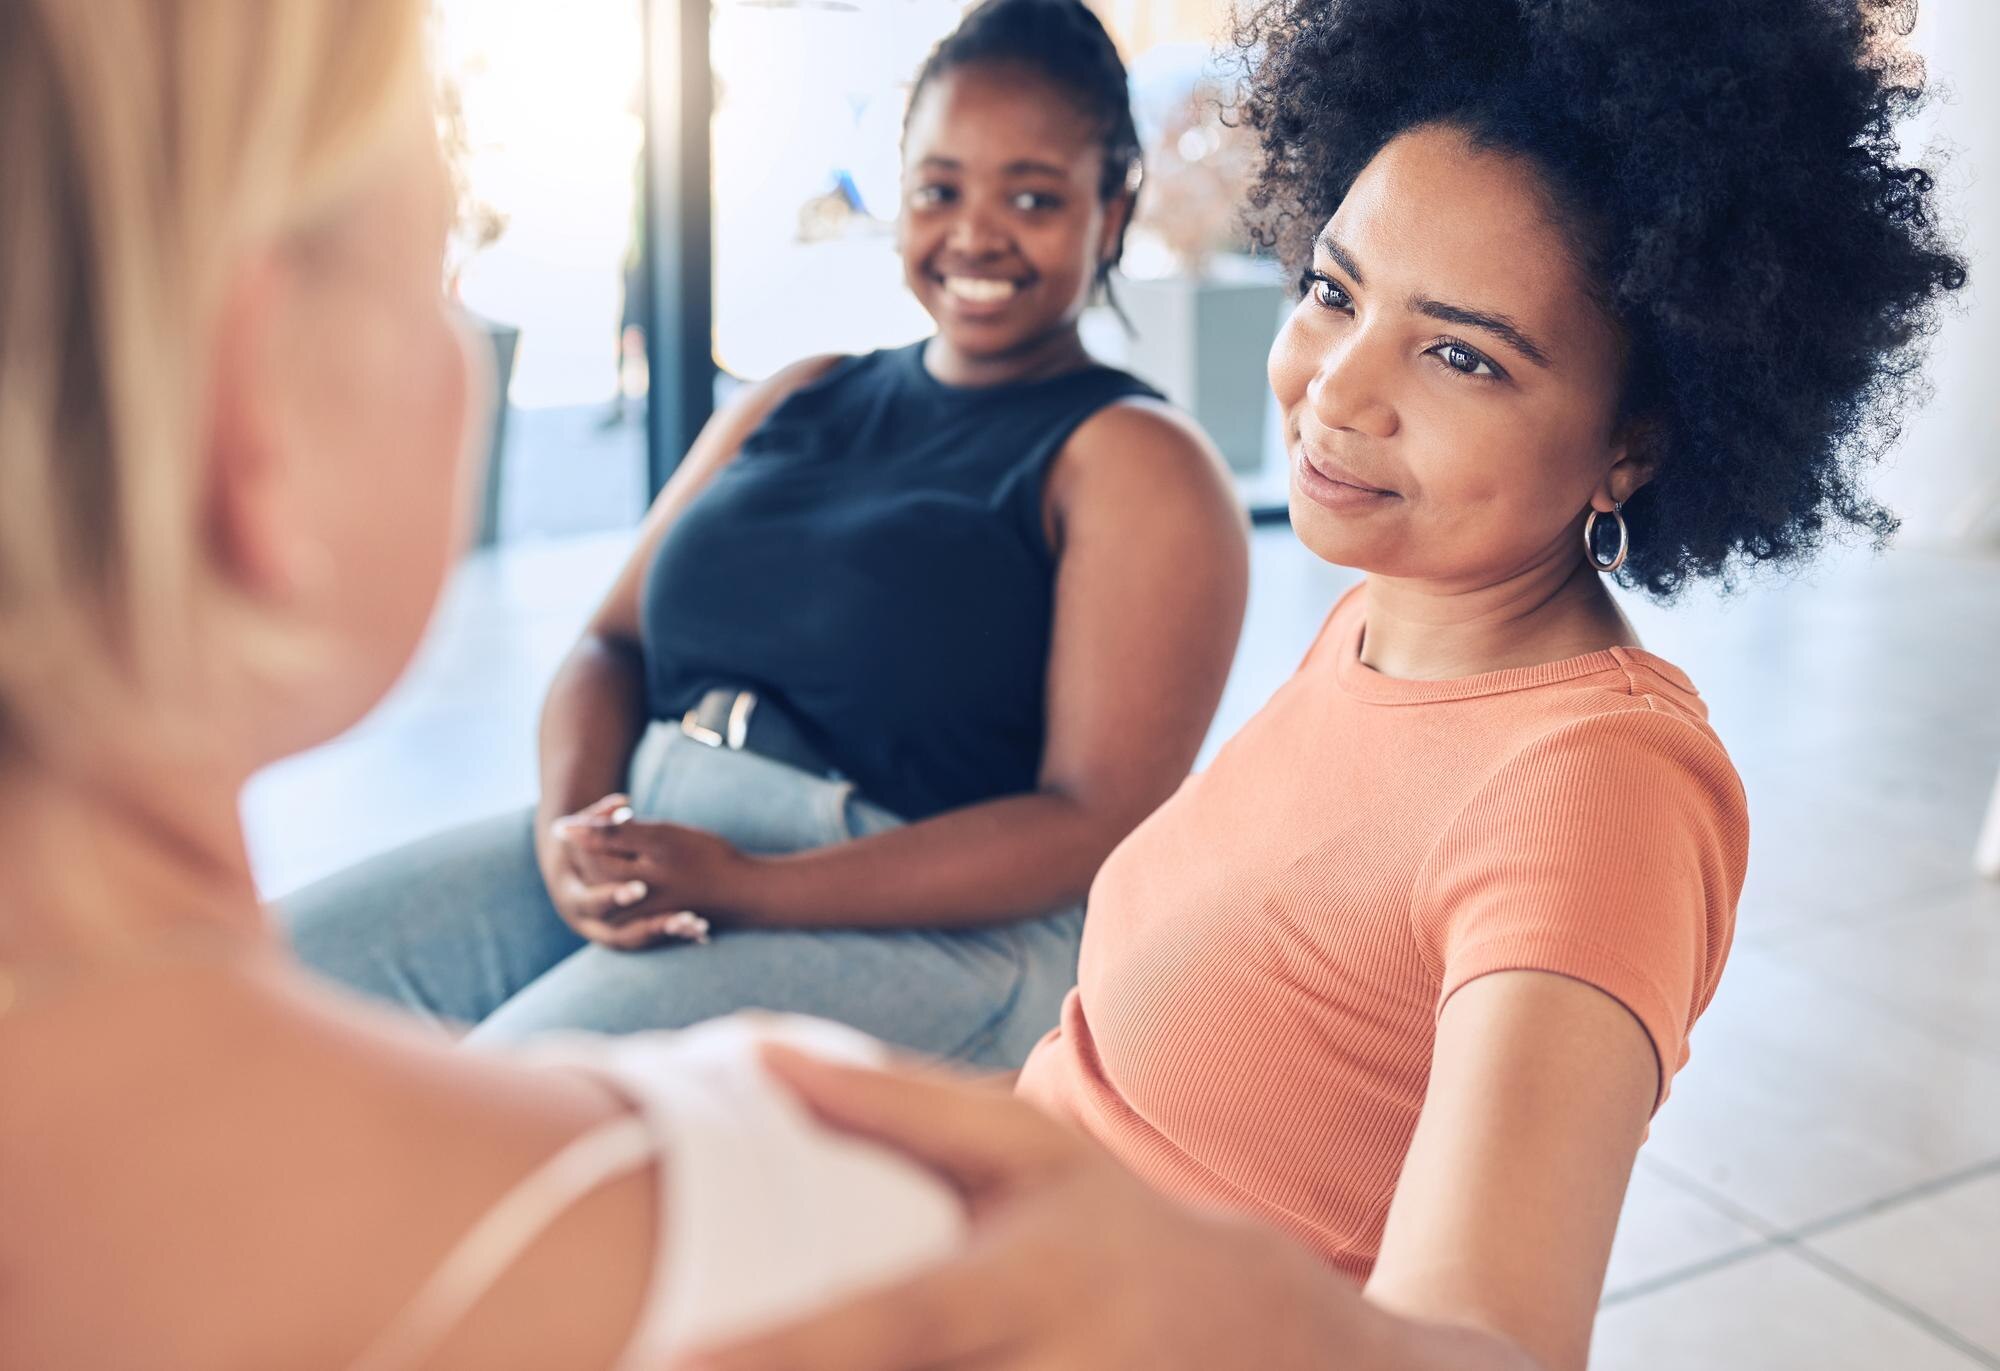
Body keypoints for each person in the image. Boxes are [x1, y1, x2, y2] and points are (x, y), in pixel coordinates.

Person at [675, 0, 1970, 1367]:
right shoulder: (1380, 622)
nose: (1336, 390)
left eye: (1461, 354)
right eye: (1334, 292)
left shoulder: (1598, 788)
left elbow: (1483, 1345)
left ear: (1633, 445)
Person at [284, 0, 1248, 1063]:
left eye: (1032, 197)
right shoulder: (800, 390)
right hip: (668, 833)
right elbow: (609, 643)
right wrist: (573, 832)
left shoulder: (1135, 459)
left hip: (925, 924)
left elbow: (1091, 821)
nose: (975, 233)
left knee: (494, 1101)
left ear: (1110, 212)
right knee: (247, 985)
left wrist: (752, 885)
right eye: (939, 190)